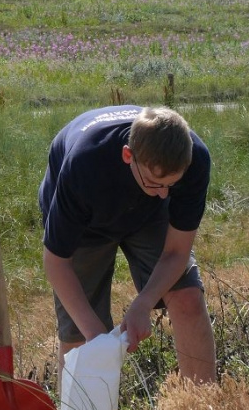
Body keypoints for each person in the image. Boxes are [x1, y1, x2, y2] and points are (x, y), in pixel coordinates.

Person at [39, 105, 216, 385]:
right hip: (86, 222)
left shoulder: (194, 160)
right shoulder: (84, 164)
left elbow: (176, 252)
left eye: (172, 185)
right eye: (156, 183)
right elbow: (56, 262)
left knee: (188, 298)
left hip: (148, 217)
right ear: (128, 156)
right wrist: (94, 334)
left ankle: (204, 406)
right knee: (80, 337)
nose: (164, 194)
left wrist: (143, 304)